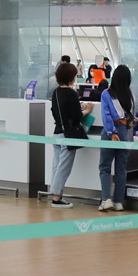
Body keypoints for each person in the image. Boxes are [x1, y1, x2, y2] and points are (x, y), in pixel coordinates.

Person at [46, 60, 88, 208]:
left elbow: (55, 112)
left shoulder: (55, 92)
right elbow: (76, 116)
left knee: (57, 165)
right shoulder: (71, 93)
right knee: (64, 167)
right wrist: (86, 111)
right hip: (68, 135)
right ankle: (56, 197)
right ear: (71, 77)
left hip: (57, 132)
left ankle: (56, 194)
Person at [97, 64, 133, 212]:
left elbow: (106, 116)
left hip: (111, 132)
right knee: (121, 168)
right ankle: (119, 201)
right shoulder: (130, 94)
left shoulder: (106, 93)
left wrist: (111, 132)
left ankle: (106, 199)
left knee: (105, 167)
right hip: (125, 131)